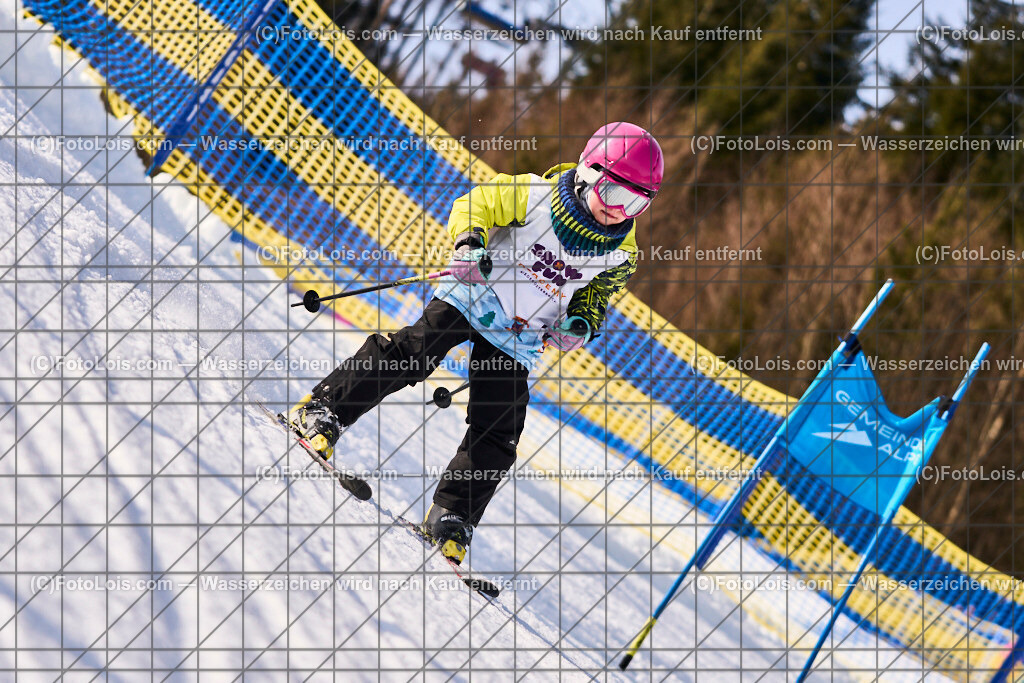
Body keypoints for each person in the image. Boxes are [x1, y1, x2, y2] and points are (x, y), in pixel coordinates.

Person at [287, 122, 664, 563]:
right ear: (587, 172)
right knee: (414, 353)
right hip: (475, 292)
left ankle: (452, 515)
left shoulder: (621, 254)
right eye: (613, 193)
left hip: (521, 332)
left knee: (500, 421)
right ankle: (325, 410)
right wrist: (470, 243)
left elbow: (596, 295)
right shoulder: (535, 195)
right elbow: (476, 204)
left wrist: (580, 324)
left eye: (635, 203)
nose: (619, 211)